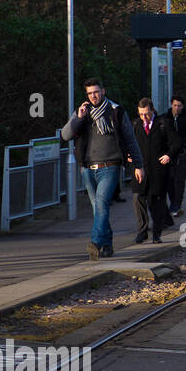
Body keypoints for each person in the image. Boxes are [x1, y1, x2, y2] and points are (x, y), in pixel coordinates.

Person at [60, 78, 144, 260]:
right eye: (90, 93)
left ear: (103, 91)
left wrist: (138, 165)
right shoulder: (83, 113)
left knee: (101, 203)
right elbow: (65, 135)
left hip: (110, 166)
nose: (93, 96)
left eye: (96, 92)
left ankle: (96, 242)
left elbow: (130, 139)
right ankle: (107, 245)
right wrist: (78, 117)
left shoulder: (116, 111)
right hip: (88, 168)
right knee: (98, 208)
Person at [131, 98, 181, 243]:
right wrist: (128, 155)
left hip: (158, 170)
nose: (144, 117)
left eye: (146, 114)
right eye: (141, 114)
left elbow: (177, 143)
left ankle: (156, 234)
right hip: (140, 170)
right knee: (138, 198)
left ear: (152, 110)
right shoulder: (135, 124)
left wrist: (168, 155)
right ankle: (142, 231)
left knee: (156, 202)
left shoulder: (163, 123)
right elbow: (128, 142)